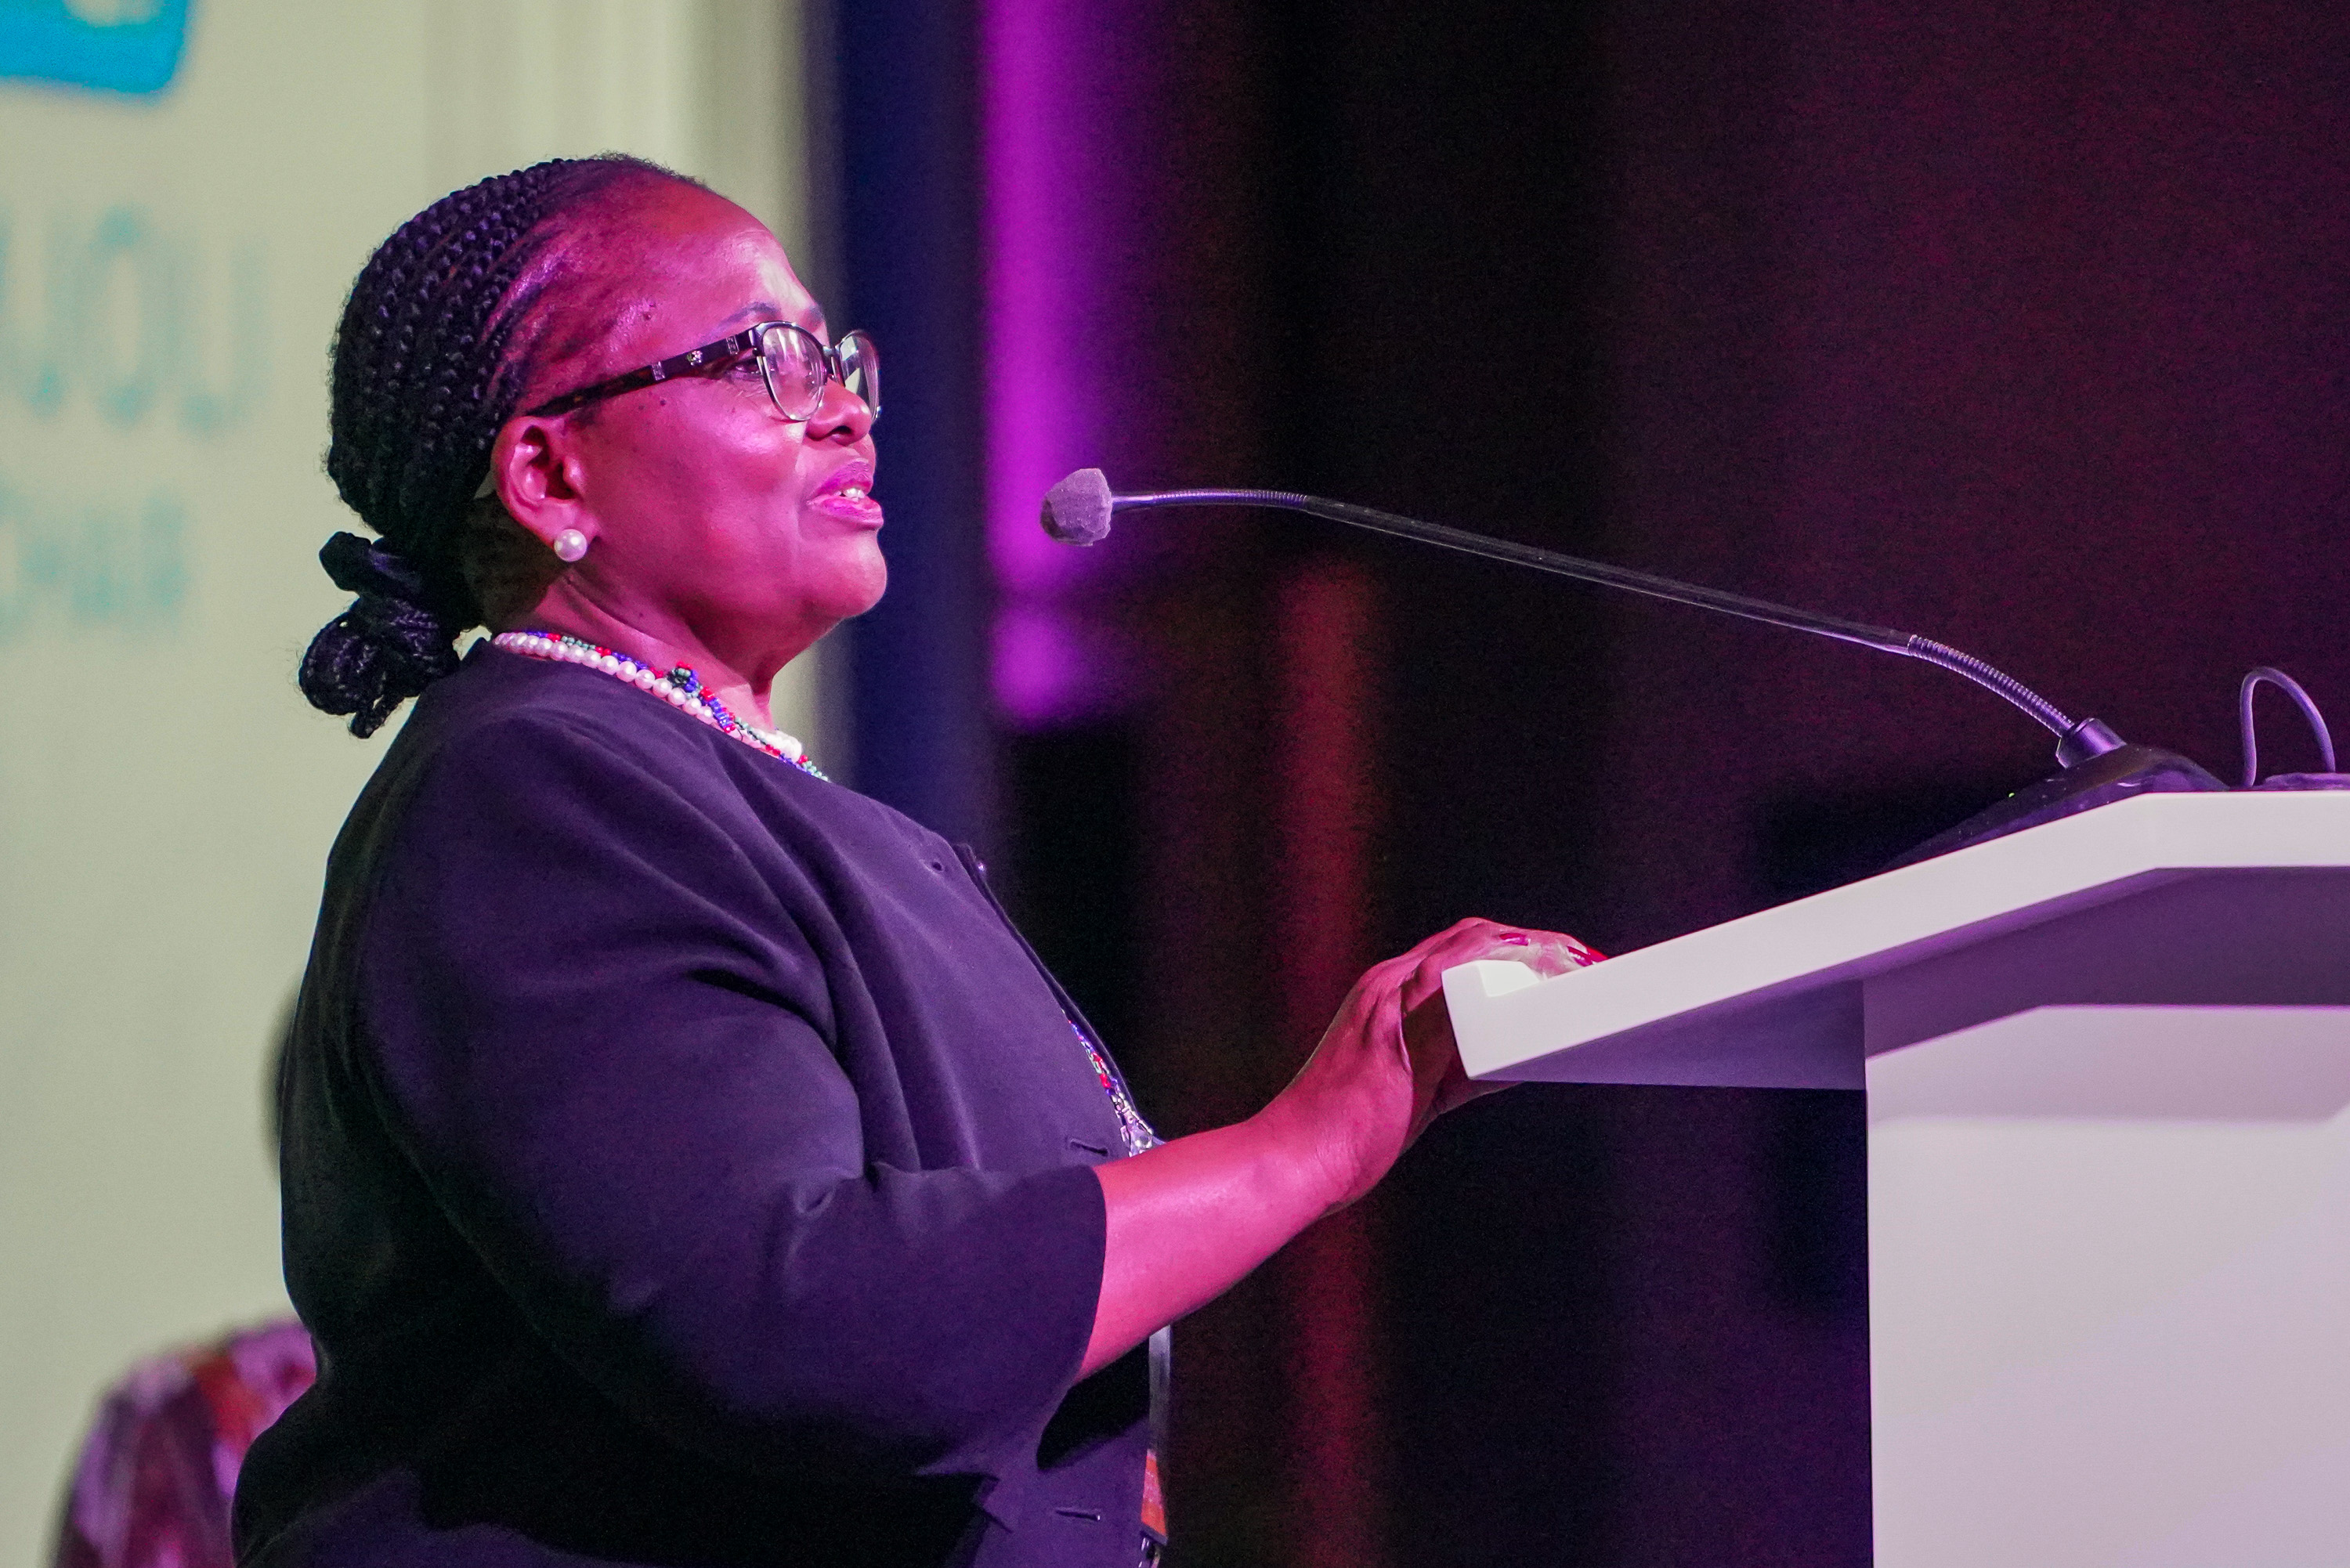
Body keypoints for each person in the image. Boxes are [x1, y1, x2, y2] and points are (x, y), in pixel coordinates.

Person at [233, 155, 1598, 1568]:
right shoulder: (532, 790)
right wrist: (1307, 1142)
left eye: (838, 360)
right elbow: (799, 1316)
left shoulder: (746, 804)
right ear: (548, 473)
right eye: (764, 361)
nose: (845, 407)